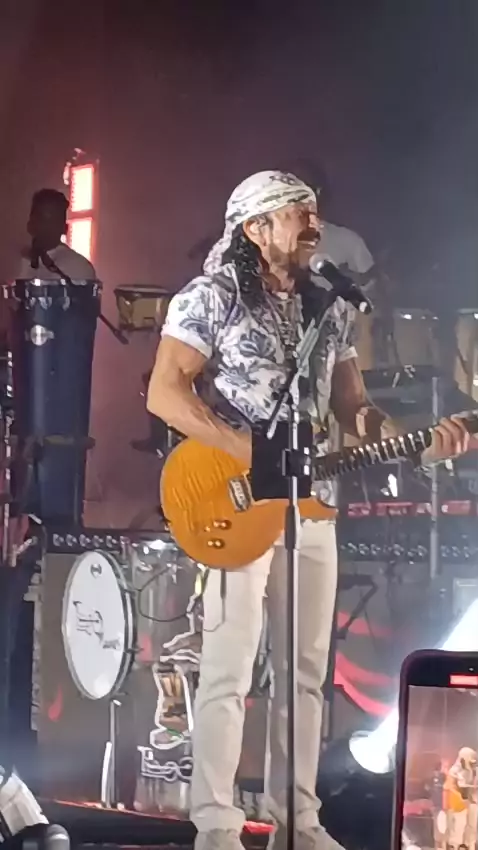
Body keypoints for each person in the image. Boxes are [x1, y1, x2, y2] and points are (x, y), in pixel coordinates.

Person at [147, 170, 472, 850]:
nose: (313, 223)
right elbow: (166, 393)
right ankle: (215, 825)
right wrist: (244, 450)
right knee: (230, 669)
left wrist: (414, 442)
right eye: (297, 212)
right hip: (234, 497)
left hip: (313, 501)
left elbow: (354, 410)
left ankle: (297, 820)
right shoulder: (211, 296)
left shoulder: (330, 305)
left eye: (314, 211)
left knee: (305, 674)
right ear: (256, 227)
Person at [17, 188, 95, 280]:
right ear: (30, 225)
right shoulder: (17, 264)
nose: (44, 227)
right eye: (40, 219)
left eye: (52, 221)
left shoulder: (78, 267)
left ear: (65, 228)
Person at [444, 747, 478, 850]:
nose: (472, 758)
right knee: (459, 825)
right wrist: (459, 795)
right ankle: (455, 845)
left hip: (473, 800)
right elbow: (448, 785)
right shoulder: (454, 770)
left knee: (472, 824)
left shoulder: (475, 770)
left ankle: (470, 844)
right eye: (470, 756)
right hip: (459, 802)